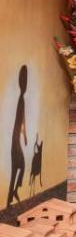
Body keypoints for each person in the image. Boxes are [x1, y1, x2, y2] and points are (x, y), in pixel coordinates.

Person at [7, 65, 28, 207]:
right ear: (22, 82)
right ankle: (12, 194)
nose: (25, 85)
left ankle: (12, 195)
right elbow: (20, 120)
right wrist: (22, 135)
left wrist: (25, 135)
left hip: (17, 139)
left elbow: (22, 120)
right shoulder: (21, 99)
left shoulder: (22, 99)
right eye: (24, 81)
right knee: (19, 167)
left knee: (18, 168)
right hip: (15, 141)